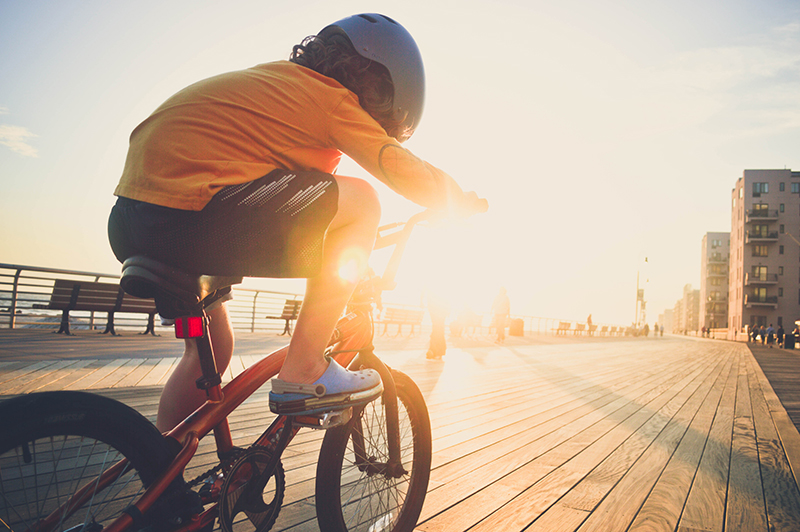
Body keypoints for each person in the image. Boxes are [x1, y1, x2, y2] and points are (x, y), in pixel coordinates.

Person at [108, 13, 486, 431]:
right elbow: (392, 164)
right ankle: (303, 370)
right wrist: (457, 200)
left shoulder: (278, 85)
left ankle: (160, 469)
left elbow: (291, 206)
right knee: (362, 200)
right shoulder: (330, 97)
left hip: (133, 219)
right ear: (382, 83)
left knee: (212, 348)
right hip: (191, 216)